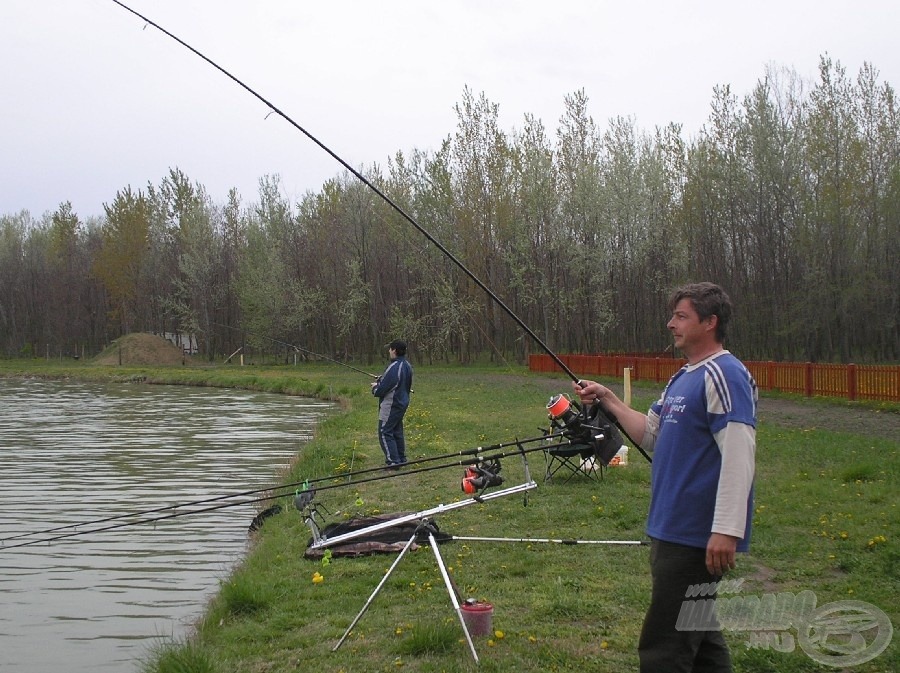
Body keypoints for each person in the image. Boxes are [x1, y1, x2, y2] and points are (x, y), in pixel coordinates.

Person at [574, 282, 756, 673]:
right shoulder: (682, 378)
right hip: (670, 526)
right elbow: (651, 434)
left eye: (681, 316)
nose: (670, 323)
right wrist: (609, 398)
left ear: (710, 322)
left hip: (696, 534)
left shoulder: (725, 374)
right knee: (702, 636)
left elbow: (739, 455)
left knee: (664, 646)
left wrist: (726, 529)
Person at [372, 339, 413, 469]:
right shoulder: (406, 365)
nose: (389, 351)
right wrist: (382, 380)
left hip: (391, 405)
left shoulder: (394, 367)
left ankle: (393, 462)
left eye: (390, 349)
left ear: (394, 350)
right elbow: (397, 383)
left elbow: (380, 390)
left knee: (385, 431)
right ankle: (401, 459)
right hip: (402, 403)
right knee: (396, 431)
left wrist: (374, 387)